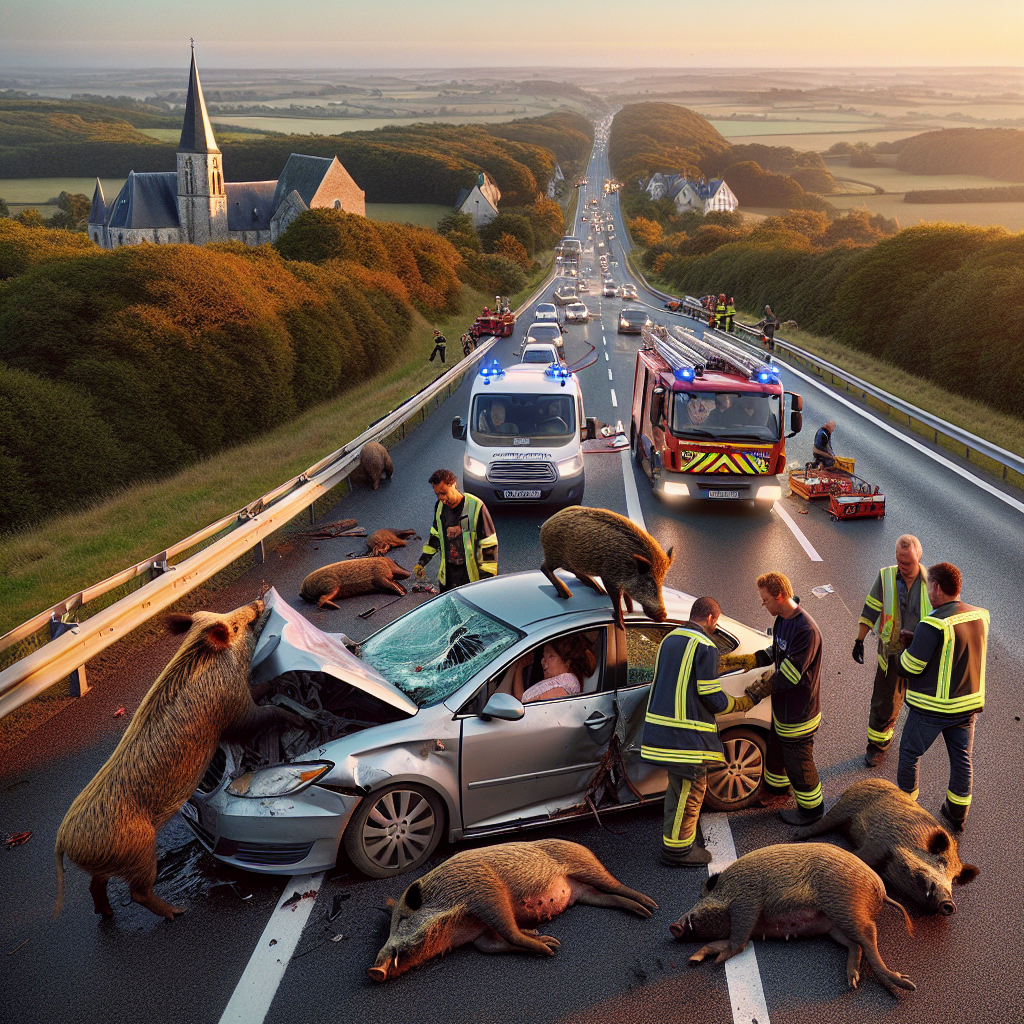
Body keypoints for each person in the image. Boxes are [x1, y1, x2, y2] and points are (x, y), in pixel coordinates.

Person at [640, 597, 755, 865]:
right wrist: (740, 703)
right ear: (712, 618)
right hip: (687, 737)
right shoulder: (705, 645)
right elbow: (709, 693)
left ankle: (674, 842)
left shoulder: (670, 639)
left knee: (678, 789)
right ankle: (678, 851)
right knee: (691, 790)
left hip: (661, 731)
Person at [896, 562, 989, 831]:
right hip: (967, 707)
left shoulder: (932, 623)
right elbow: (955, 648)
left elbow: (912, 666)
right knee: (962, 758)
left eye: (928, 587)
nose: (927, 593)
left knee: (910, 754)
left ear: (937, 587)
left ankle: (905, 813)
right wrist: (921, 639)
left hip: (932, 709)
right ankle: (956, 814)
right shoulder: (979, 615)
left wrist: (905, 650)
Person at [742, 572, 825, 824]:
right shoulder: (782, 619)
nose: (763, 604)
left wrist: (755, 692)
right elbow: (777, 650)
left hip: (799, 712)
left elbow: (789, 677)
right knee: (778, 753)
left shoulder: (805, 630)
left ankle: (812, 811)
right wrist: (753, 659)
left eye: (765, 599)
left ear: (779, 596)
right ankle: (777, 791)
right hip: (784, 708)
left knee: (798, 761)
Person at [854, 535, 931, 767]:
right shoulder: (886, 576)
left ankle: (915, 743)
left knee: (923, 704)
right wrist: (859, 640)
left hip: (922, 655)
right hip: (893, 653)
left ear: (919, 557)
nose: (902, 567)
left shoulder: (931, 582)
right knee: (884, 701)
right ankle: (877, 745)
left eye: (907, 563)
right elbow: (872, 607)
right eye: (899, 561)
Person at [415, 469, 497, 592]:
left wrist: (487, 577)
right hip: (447, 577)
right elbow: (435, 536)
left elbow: (488, 544)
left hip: (470, 579)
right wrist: (421, 562)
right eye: (437, 494)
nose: (441, 498)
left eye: (443, 493)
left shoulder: (476, 507)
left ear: (453, 484)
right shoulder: (440, 508)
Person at [501, 636, 597, 703]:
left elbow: (523, 704)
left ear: (567, 662)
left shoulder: (562, 687)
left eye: (551, 656)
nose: (543, 661)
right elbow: (521, 698)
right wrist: (520, 666)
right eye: (543, 656)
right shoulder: (556, 682)